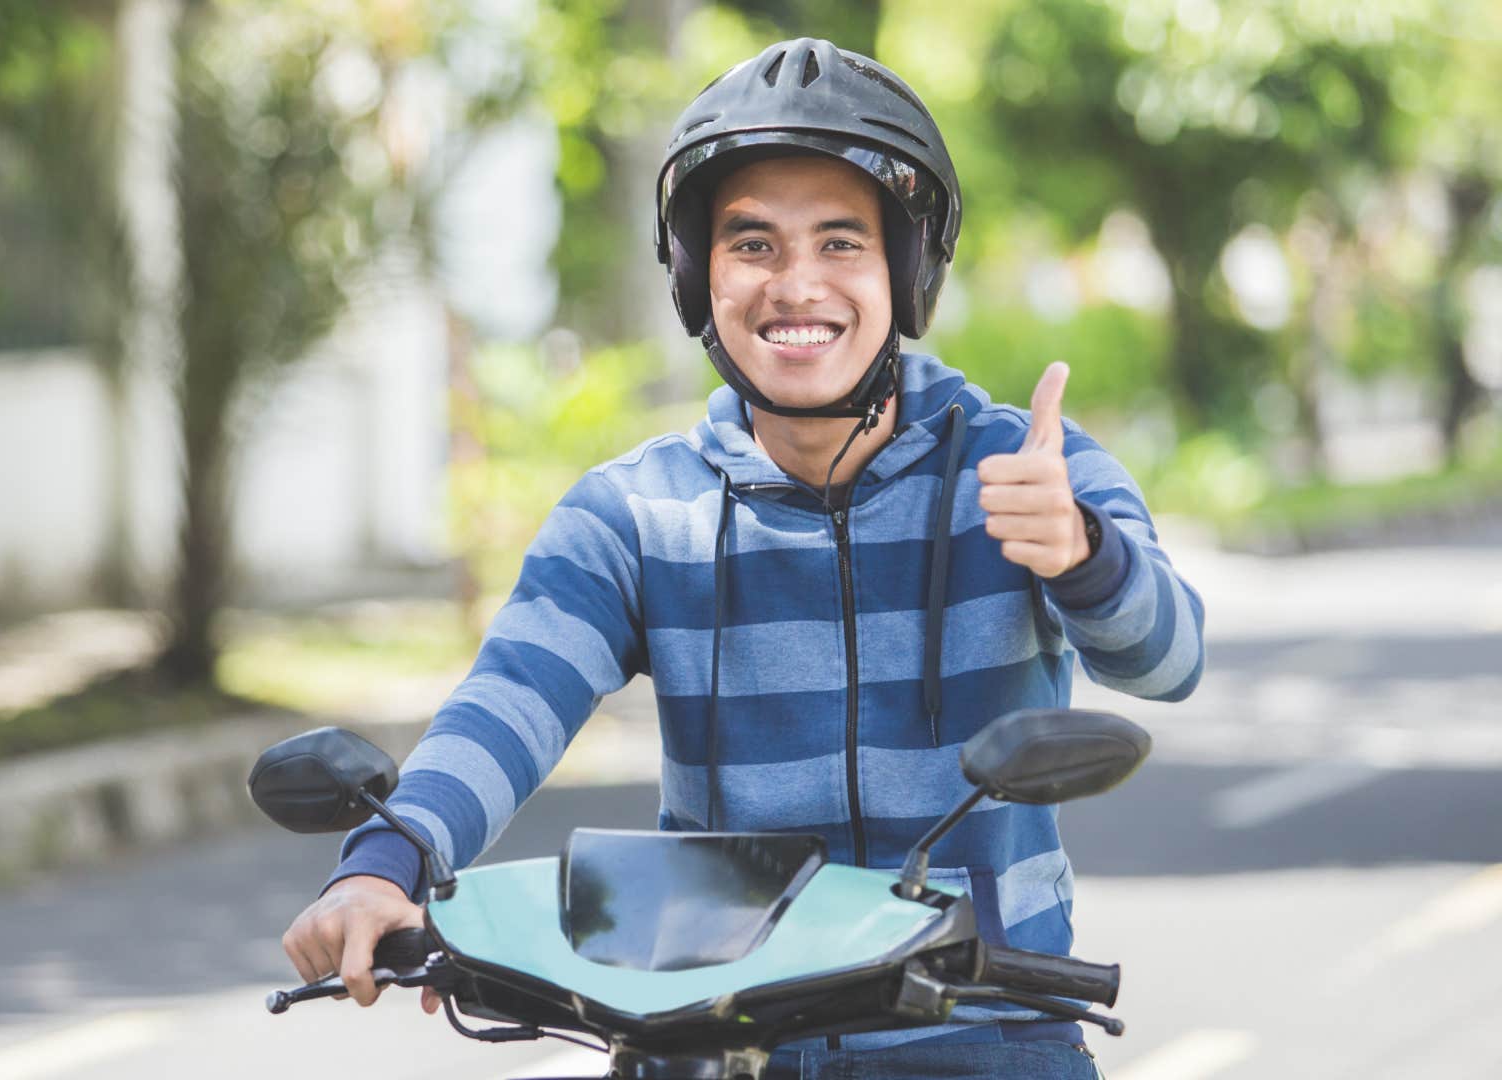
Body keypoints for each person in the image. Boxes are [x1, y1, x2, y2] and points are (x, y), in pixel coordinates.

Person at [281, 37, 1204, 1080]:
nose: (795, 286)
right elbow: (506, 704)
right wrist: (383, 861)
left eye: (841, 244)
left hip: (977, 1031)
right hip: (707, 1031)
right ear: (696, 275)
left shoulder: (1026, 469)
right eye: (753, 245)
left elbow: (1167, 659)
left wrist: (1082, 555)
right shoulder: (636, 514)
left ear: (905, 272)